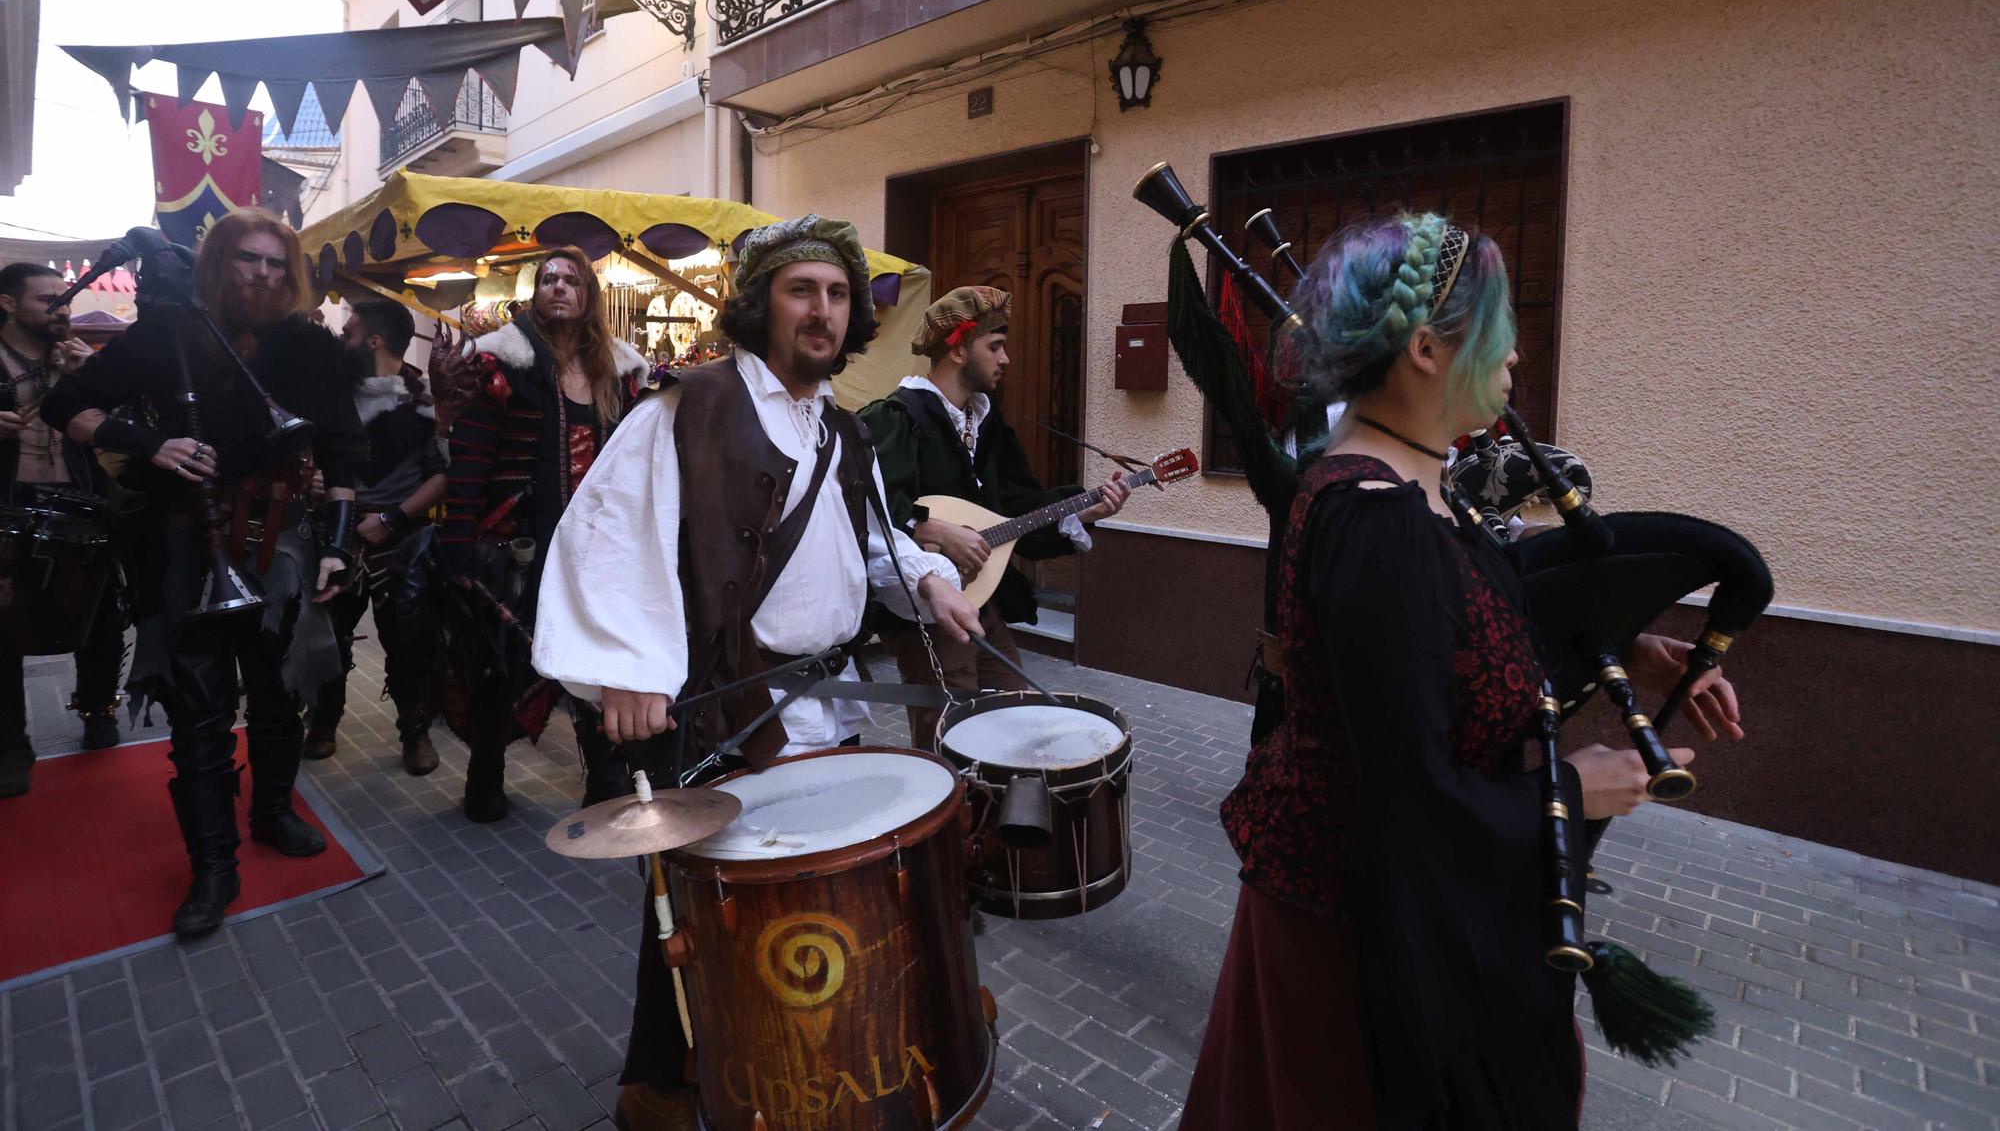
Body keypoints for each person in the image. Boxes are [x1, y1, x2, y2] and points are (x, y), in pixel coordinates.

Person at [1179, 214, 1738, 1130]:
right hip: (1353, 944)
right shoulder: (1379, 521)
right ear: (1429, 348)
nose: (1516, 351)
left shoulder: (1412, 483)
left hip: (1360, 912)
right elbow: (1410, 796)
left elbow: (1474, 610)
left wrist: (1634, 642)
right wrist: (1571, 791)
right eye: (1499, 326)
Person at [529, 214, 983, 1131]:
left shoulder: (845, 432)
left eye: (838, 294)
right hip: (731, 708)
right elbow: (608, 530)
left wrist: (928, 578)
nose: (823, 311)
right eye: (801, 290)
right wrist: (624, 665)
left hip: (832, 702)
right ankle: (670, 1079)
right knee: (711, 907)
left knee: (826, 889)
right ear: (759, 304)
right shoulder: (689, 405)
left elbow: (867, 536)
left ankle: (826, 1055)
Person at [42, 210, 366, 937]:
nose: (262, 274)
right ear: (220, 262)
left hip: (280, 542)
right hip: (185, 544)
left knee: (281, 695)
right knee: (200, 710)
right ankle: (212, 864)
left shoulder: (310, 347)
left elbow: (346, 451)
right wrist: (148, 441)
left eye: (276, 263)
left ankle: (275, 811)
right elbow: (66, 403)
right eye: (248, 259)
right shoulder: (166, 331)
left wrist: (340, 544)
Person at [861, 284, 1129, 746]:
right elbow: (874, 511)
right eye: (996, 345)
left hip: (983, 597)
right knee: (949, 731)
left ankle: (992, 817)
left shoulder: (988, 424)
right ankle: (948, 814)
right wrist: (935, 528)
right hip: (925, 609)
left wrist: (1084, 509)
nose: (1006, 359)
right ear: (960, 349)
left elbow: (1019, 510)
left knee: (1012, 708)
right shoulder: (897, 418)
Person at [437, 247, 649, 822]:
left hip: (598, 547)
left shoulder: (620, 373)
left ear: (588, 297)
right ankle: (485, 775)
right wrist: (458, 545)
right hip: (520, 544)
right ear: (536, 292)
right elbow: (471, 458)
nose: (558, 287)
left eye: (571, 280)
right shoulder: (500, 364)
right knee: (501, 663)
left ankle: (605, 781)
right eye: (548, 278)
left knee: (599, 665)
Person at [305, 300, 446, 774]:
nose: (342, 342)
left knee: (409, 645)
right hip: (337, 535)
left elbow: (442, 475)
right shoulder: (331, 397)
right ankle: (323, 723)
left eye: (349, 333)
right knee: (331, 639)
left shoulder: (424, 399)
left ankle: (415, 733)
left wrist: (391, 520)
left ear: (375, 339)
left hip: (402, 543)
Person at [0, 264, 124, 796]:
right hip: (9, 503)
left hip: (80, 497)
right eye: (49, 299)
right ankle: (9, 746)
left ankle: (98, 709)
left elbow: (120, 426)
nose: (62, 308)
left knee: (100, 614)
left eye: (66, 298)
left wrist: (93, 380)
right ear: (8, 304)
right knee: (2, 630)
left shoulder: (78, 362)